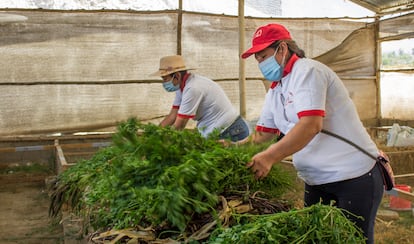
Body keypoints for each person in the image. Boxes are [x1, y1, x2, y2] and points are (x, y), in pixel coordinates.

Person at [240, 23, 383, 244]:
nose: (260, 63)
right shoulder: (277, 88)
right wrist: (234, 148)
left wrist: (269, 157)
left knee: (354, 240)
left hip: (353, 175)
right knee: (316, 237)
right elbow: (263, 134)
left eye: (263, 56)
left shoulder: (308, 71)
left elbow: (310, 125)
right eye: (257, 59)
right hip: (316, 178)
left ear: (283, 49)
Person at [151, 55, 250, 142]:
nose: (164, 83)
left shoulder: (193, 88)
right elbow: (172, 115)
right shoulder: (181, 87)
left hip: (230, 131)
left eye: (165, 79)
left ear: (176, 76)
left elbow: (180, 125)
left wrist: (162, 143)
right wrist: (154, 135)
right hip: (220, 130)